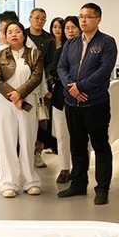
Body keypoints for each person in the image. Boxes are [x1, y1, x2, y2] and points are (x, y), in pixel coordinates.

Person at [57, 3, 118, 205]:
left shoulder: (107, 42)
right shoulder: (71, 43)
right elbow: (61, 67)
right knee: (77, 145)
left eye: (88, 16)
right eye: (81, 16)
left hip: (95, 103)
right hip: (72, 103)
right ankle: (78, 184)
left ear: (98, 19)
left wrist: (80, 86)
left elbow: (104, 70)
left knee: (100, 145)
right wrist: (71, 87)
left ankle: (102, 188)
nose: (83, 20)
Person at [0, 21, 44, 198]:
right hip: (6, 104)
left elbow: (36, 77)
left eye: (17, 31)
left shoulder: (35, 54)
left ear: (24, 34)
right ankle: (9, 182)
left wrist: (19, 95)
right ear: (6, 36)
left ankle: (30, 181)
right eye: (10, 32)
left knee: (28, 140)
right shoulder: (0, 55)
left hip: (27, 101)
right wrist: (13, 97)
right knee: (7, 142)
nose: (14, 34)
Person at [0, 10, 20, 179]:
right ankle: (6, 169)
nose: (1, 34)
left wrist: (17, 95)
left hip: (20, 99)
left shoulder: (22, 48)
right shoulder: (2, 48)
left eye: (3, 30)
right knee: (7, 137)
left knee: (19, 137)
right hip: (7, 99)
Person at [26, 8, 57, 168]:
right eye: (36, 18)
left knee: (41, 121)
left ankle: (37, 153)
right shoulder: (22, 35)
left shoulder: (49, 40)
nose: (39, 21)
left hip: (42, 85)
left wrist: (43, 79)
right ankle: (20, 154)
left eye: (42, 19)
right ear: (30, 18)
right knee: (22, 120)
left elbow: (51, 63)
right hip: (23, 85)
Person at [47, 17, 71, 183]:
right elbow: (54, 70)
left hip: (81, 98)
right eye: (67, 28)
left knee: (80, 136)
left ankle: (80, 168)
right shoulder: (59, 51)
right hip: (61, 98)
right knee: (62, 134)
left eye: (73, 27)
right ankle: (64, 168)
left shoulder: (86, 50)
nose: (70, 31)